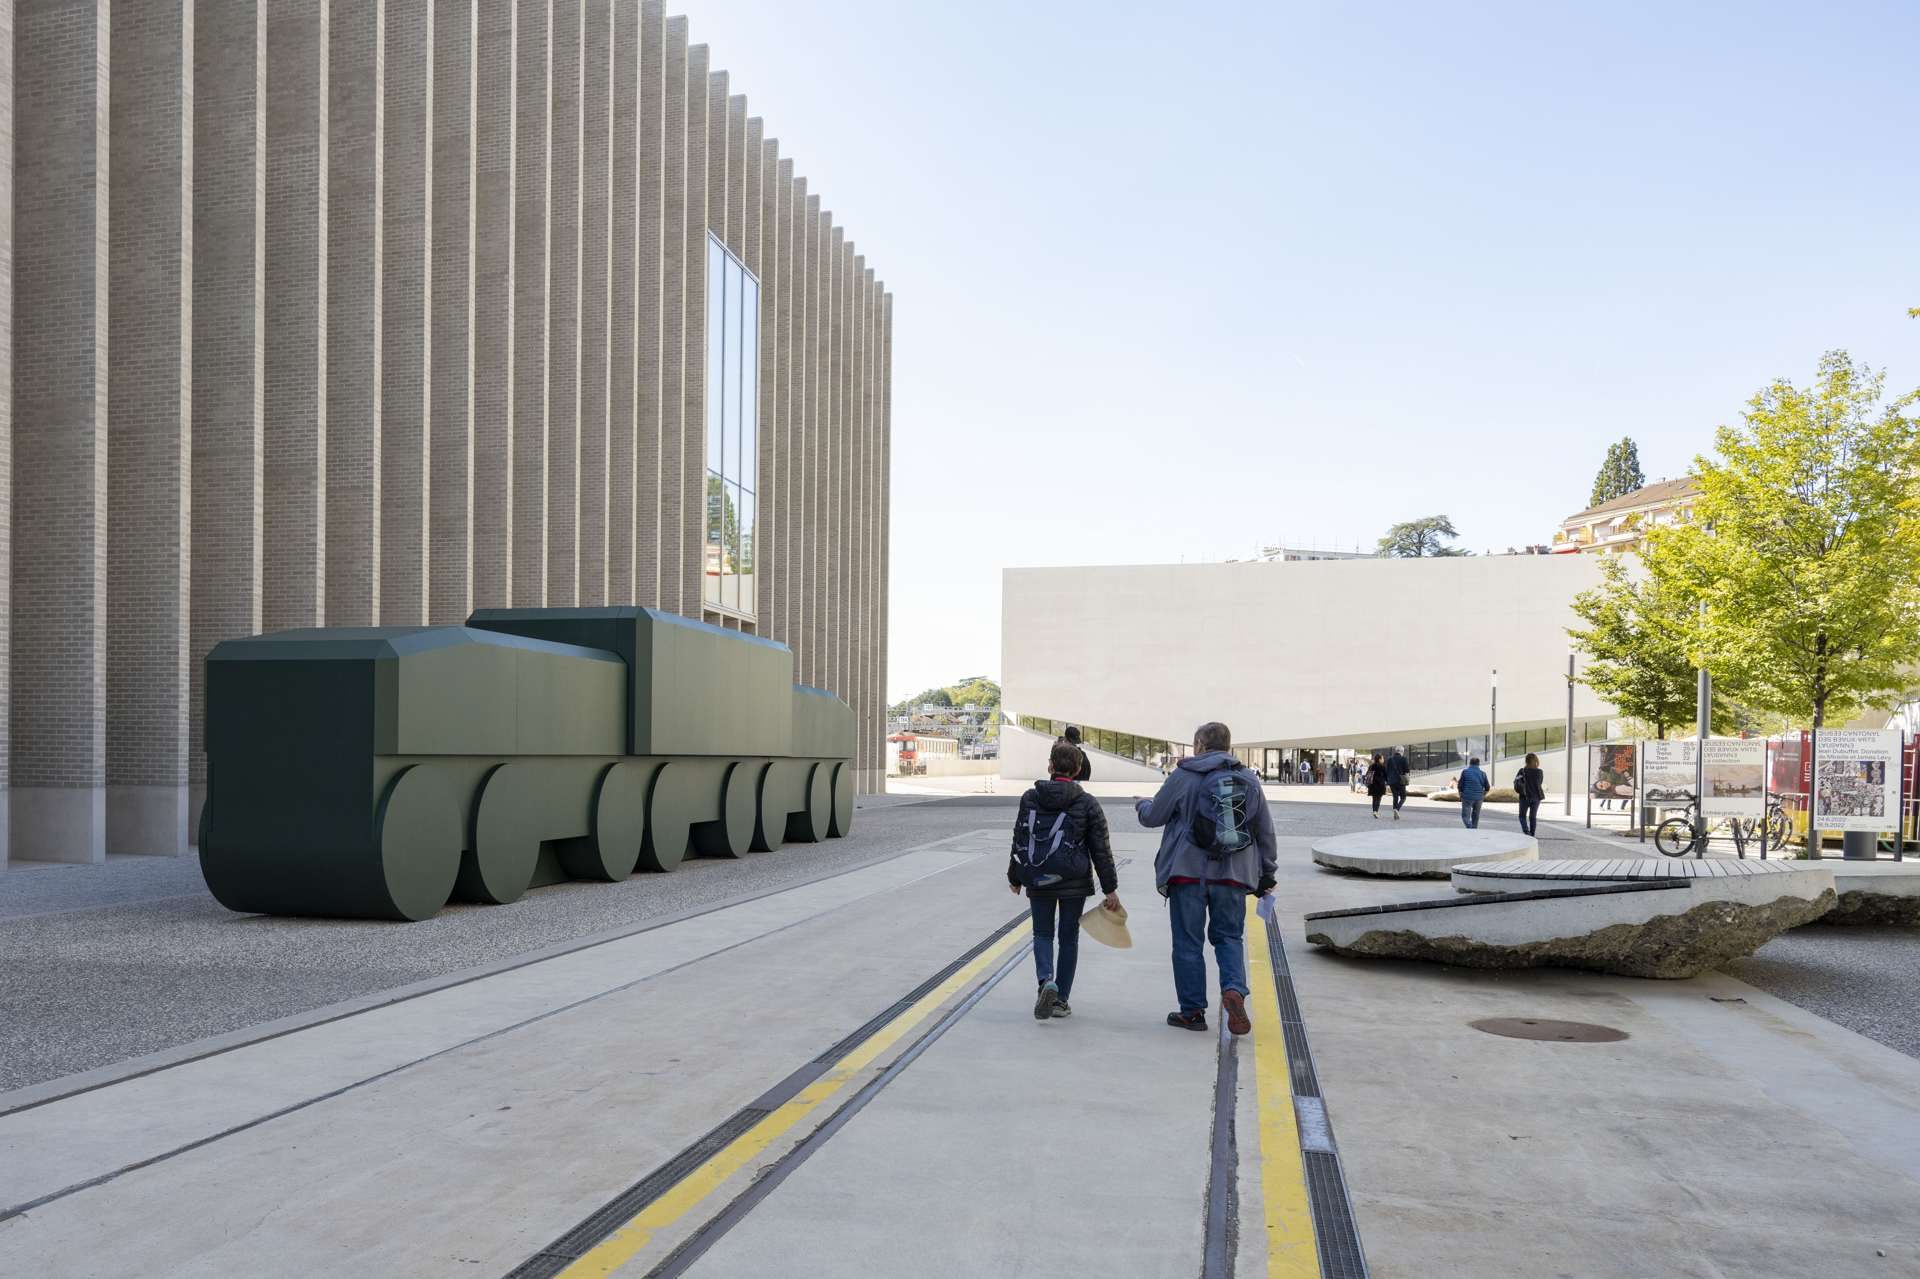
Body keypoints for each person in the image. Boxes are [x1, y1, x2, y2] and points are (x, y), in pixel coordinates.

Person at [1136, 721, 1278, 1036]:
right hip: (1232, 875)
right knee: (1229, 937)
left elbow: (1152, 816)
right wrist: (1267, 871)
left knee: (1188, 942)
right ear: (1228, 746)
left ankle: (1192, 1012)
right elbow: (1264, 830)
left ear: (1200, 744)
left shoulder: (1184, 776)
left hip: (1187, 872)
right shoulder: (1248, 780)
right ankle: (1233, 990)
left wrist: (1141, 804)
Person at [1009, 741, 1120, 1020]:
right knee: (1068, 937)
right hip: (1073, 880)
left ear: (1050, 765)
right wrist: (1110, 888)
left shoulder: (1030, 798)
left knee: (1042, 933)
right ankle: (1060, 1001)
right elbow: (1100, 848)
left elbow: (1020, 837)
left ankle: (1046, 980)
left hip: (1038, 876)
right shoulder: (1086, 802)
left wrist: (1015, 875)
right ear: (1079, 769)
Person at [1515, 752, 1545, 836]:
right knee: (1533, 817)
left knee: (1522, 816)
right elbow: (1540, 782)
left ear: (1526, 761)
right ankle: (1532, 833)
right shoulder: (1540, 772)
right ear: (1536, 760)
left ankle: (1526, 831)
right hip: (1536, 797)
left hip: (1525, 797)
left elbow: (1516, 782)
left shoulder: (1522, 771)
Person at [1458, 756, 1490, 829]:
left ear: (1470, 763)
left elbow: (1460, 785)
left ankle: (1470, 827)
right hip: (1479, 798)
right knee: (1476, 815)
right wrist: (1483, 795)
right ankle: (1474, 829)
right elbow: (1487, 787)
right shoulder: (1483, 774)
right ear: (1478, 764)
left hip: (1467, 797)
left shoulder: (1465, 772)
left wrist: (1461, 794)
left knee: (1465, 816)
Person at [1385, 748, 1411, 820]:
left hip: (1391, 781)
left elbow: (1386, 770)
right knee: (1403, 797)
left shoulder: (1390, 759)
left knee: (1395, 796)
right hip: (1400, 781)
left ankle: (1394, 812)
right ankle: (1397, 809)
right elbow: (1407, 770)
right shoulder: (1403, 759)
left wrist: (1387, 781)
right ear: (1401, 752)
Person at [1363, 752, 1388, 818]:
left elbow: (1367, 775)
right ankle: (1376, 811)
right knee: (1378, 799)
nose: (1383, 759)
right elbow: (1386, 776)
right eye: (1382, 758)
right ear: (1379, 759)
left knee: (1374, 799)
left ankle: (1374, 811)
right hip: (1380, 785)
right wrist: (1387, 782)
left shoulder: (1371, 766)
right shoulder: (1382, 766)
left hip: (1372, 785)